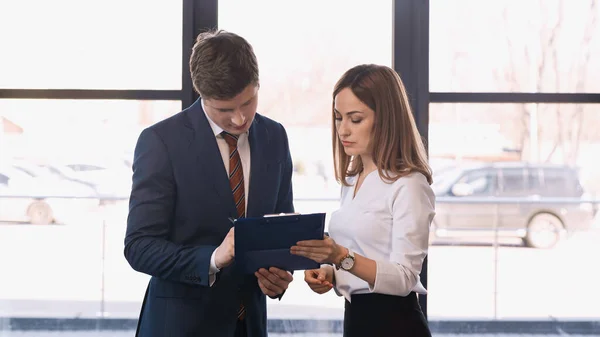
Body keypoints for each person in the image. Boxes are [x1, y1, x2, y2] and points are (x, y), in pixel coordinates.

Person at [124, 29, 295, 337]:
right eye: (225, 110)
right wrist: (215, 258)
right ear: (201, 95)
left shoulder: (275, 137)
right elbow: (139, 247)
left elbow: (281, 223)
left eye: (249, 101)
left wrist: (279, 273)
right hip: (180, 326)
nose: (241, 119)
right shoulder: (161, 142)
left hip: (250, 325)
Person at [290, 64, 435, 337]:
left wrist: (340, 257)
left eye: (355, 119)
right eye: (338, 117)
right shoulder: (352, 179)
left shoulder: (409, 185)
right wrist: (328, 271)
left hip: (396, 325)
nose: (343, 130)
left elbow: (405, 278)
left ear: (386, 119)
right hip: (356, 319)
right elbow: (357, 252)